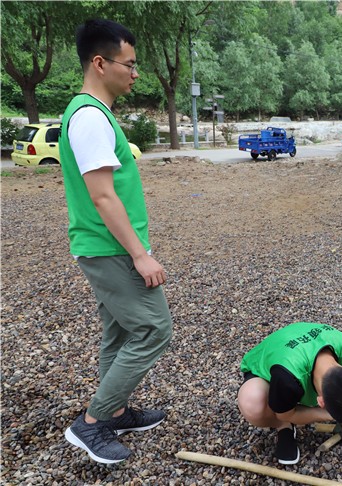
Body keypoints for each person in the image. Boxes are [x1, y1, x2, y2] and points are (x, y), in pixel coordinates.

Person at [60, 19, 173, 464]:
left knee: (120, 331)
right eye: (129, 64)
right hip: (109, 249)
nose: (135, 73)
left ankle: (117, 411)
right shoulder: (89, 117)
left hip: (105, 246)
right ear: (100, 63)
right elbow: (102, 196)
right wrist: (140, 255)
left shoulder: (93, 113)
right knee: (154, 329)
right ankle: (92, 422)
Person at [237, 322, 342, 464]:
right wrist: (330, 415)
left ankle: (301, 402)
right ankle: (284, 427)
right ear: (321, 402)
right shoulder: (287, 379)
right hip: (269, 359)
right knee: (253, 403)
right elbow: (284, 414)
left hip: (300, 341)